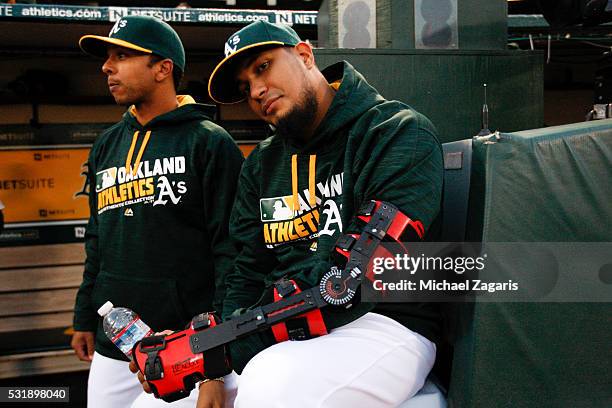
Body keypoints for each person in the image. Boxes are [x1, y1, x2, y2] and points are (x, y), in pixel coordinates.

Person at [136, 20, 444, 408]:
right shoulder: (262, 164)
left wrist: (219, 344)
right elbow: (244, 271)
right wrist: (213, 362)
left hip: (387, 322)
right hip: (284, 328)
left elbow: (355, 277)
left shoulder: (396, 132)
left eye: (262, 67)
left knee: (273, 386)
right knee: (149, 405)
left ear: (304, 54)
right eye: (245, 86)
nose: (256, 90)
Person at [72, 15, 243, 408]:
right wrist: (84, 316)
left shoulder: (210, 143)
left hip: (187, 344)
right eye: (107, 58)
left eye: (122, 56)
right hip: (115, 341)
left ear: (163, 68)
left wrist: (215, 364)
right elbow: (98, 237)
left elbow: (231, 255)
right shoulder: (107, 145)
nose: (106, 67)